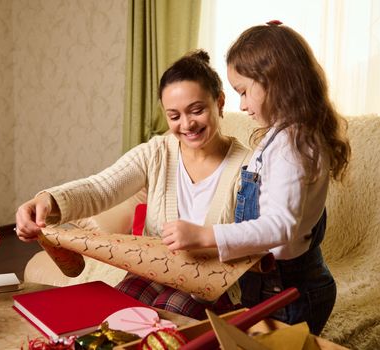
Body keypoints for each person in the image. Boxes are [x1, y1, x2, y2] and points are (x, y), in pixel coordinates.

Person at [15, 50, 251, 320]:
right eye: (174, 116)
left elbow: (258, 234)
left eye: (197, 111)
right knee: (115, 317)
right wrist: (47, 200)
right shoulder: (156, 152)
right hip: (156, 269)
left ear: (219, 102)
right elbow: (101, 188)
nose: (187, 124)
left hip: (213, 283)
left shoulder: (248, 165)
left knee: (169, 317)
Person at [161, 21, 351, 334]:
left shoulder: (292, 144)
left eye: (244, 92)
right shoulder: (282, 136)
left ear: (275, 81)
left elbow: (280, 226)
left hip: (290, 293)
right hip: (267, 285)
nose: (243, 105)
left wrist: (203, 235)